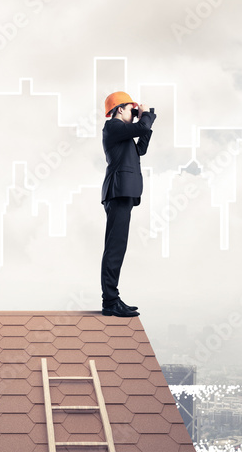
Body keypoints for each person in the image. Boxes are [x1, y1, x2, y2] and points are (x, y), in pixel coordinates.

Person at [100, 91, 156, 318]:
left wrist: (147, 117)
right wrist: (145, 116)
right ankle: (110, 301)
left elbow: (140, 147)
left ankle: (112, 299)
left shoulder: (124, 136)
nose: (134, 114)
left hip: (124, 193)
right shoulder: (112, 126)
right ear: (119, 109)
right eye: (131, 110)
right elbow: (140, 128)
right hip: (118, 191)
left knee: (118, 247)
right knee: (114, 248)